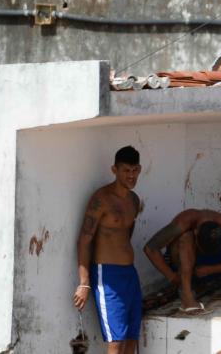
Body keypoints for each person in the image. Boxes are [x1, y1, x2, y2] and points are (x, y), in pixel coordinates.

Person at [73, 145, 143, 354]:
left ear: (139, 169)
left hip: (130, 273)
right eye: (125, 171)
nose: (131, 176)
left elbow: (126, 233)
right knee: (116, 341)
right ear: (114, 170)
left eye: (134, 171)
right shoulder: (101, 199)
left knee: (131, 337)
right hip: (108, 276)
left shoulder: (133, 200)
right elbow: (84, 240)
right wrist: (84, 283)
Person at [143, 210, 221, 314]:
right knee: (185, 238)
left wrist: (210, 269)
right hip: (187, 267)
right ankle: (187, 296)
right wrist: (171, 277)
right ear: (196, 232)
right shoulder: (185, 220)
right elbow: (150, 248)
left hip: (212, 264)